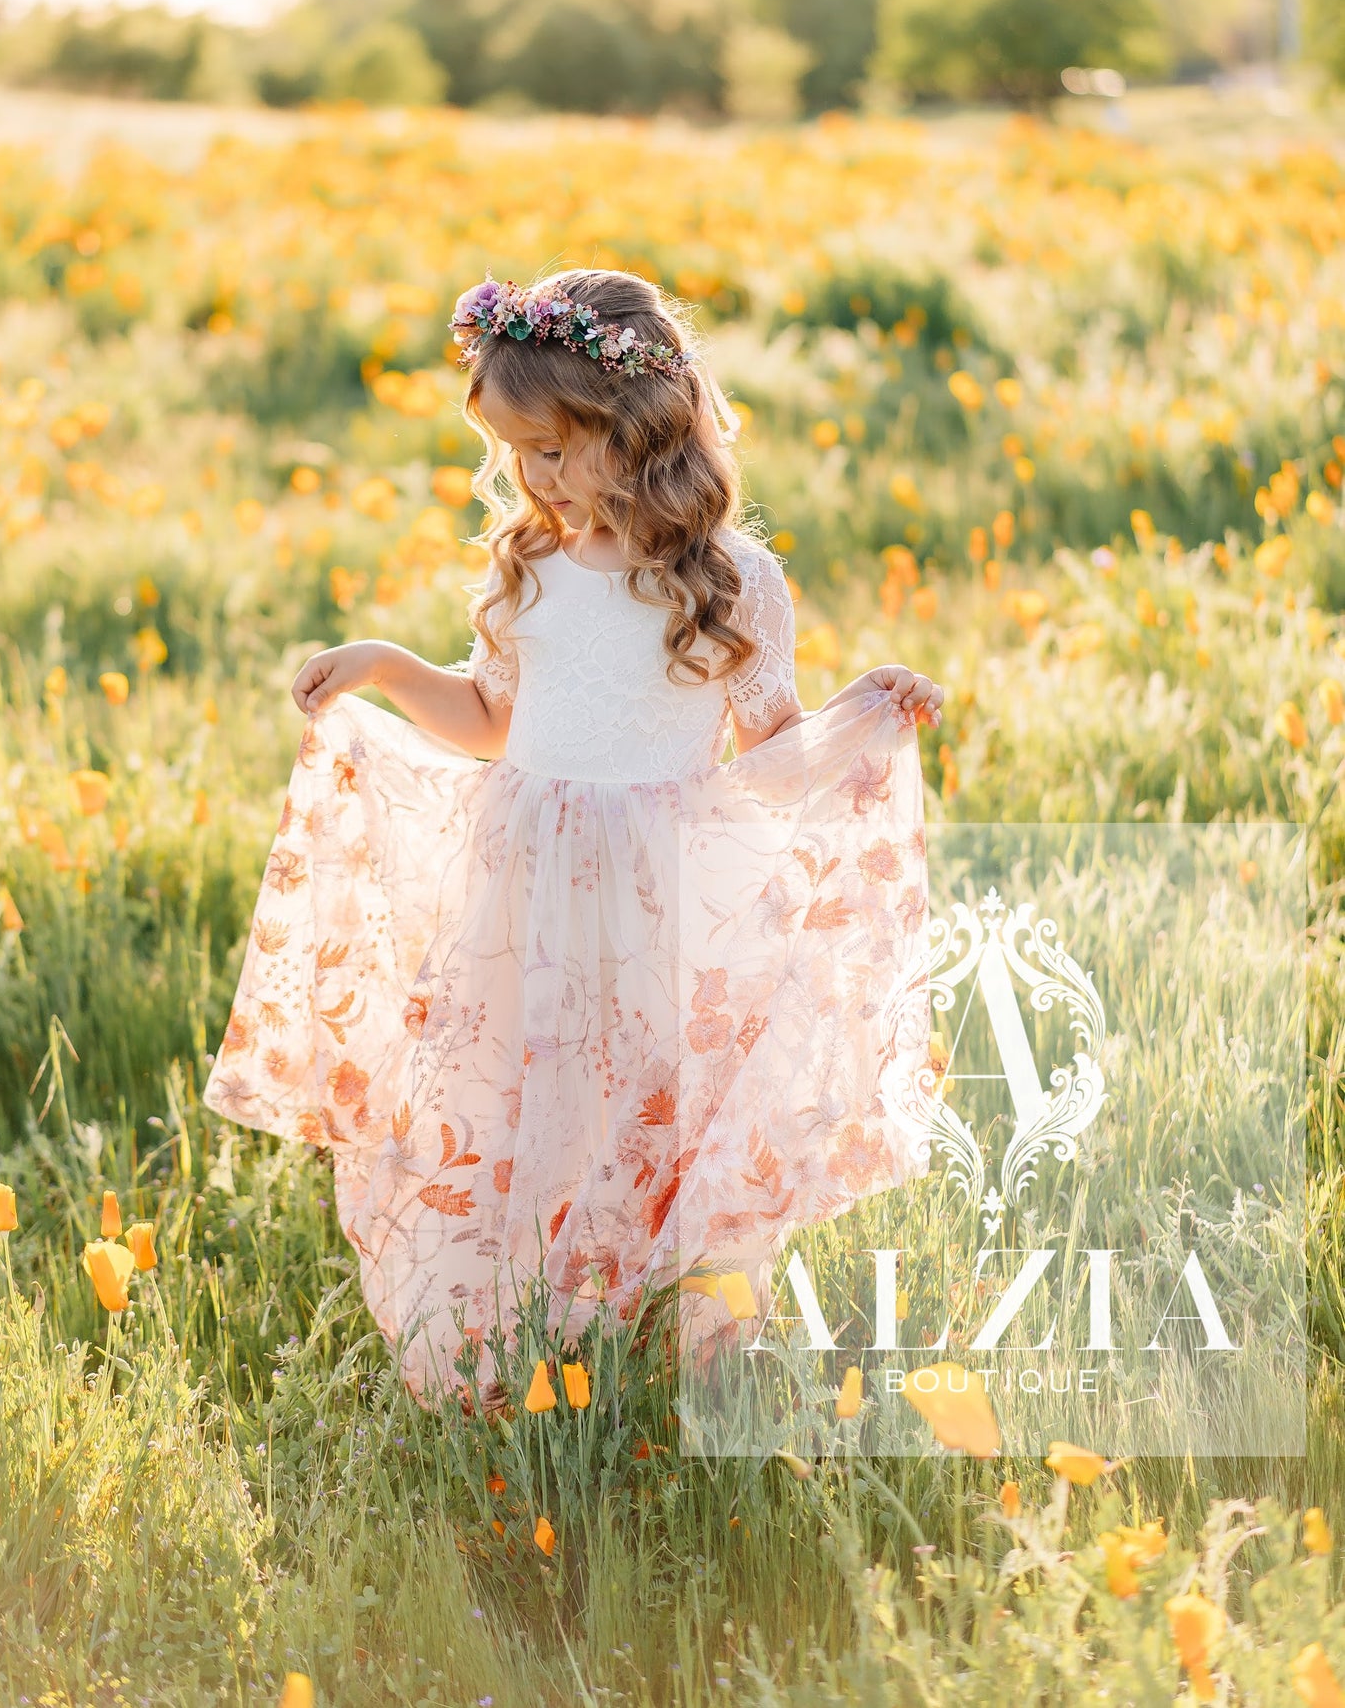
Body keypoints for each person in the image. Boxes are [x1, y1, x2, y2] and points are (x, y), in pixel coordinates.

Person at [205, 267, 941, 1404]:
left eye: (554, 448)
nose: (534, 478)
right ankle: (508, 1342)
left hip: (656, 895)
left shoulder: (731, 583)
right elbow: (493, 722)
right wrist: (388, 669)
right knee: (506, 1103)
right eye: (516, 453)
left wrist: (861, 718)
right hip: (521, 890)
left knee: (649, 1103)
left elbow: (769, 752)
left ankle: (670, 1341)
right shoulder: (530, 567)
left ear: (639, 429)